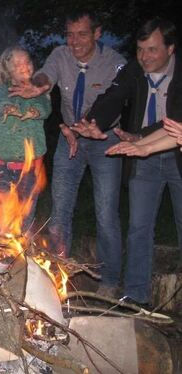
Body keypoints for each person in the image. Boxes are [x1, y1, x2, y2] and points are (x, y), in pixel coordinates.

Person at [9, 11, 126, 297]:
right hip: (70, 138)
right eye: (69, 34)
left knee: (106, 213)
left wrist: (97, 126)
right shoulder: (60, 55)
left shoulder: (115, 63)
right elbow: (46, 75)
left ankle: (110, 281)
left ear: (97, 33)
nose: (74, 41)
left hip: (104, 140)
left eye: (81, 34)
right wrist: (37, 85)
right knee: (60, 211)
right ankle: (58, 274)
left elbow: (121, 100)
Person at [74, 18, 182, 306]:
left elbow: (174, 125)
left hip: (176, 155)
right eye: (140, 49)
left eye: (152, 50)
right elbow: (113, 95)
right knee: (138, 227)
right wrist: (93, 122)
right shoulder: (134, 69)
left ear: (171, 49)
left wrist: (143, 142)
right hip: (142, 153)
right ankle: (136, 296)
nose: (144, 57)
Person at [0, 46, 51, 234]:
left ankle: (24, 257)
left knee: (26, 216)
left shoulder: (39, 90)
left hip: (30, 167)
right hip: (3, 166)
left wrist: (34, 111)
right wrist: (8, 107)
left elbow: (45, 108)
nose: (24, 66)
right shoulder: (1, 89)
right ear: (7, 69)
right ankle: (2, 256)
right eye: (17, 64)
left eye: (27, 61)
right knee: (5, 216)